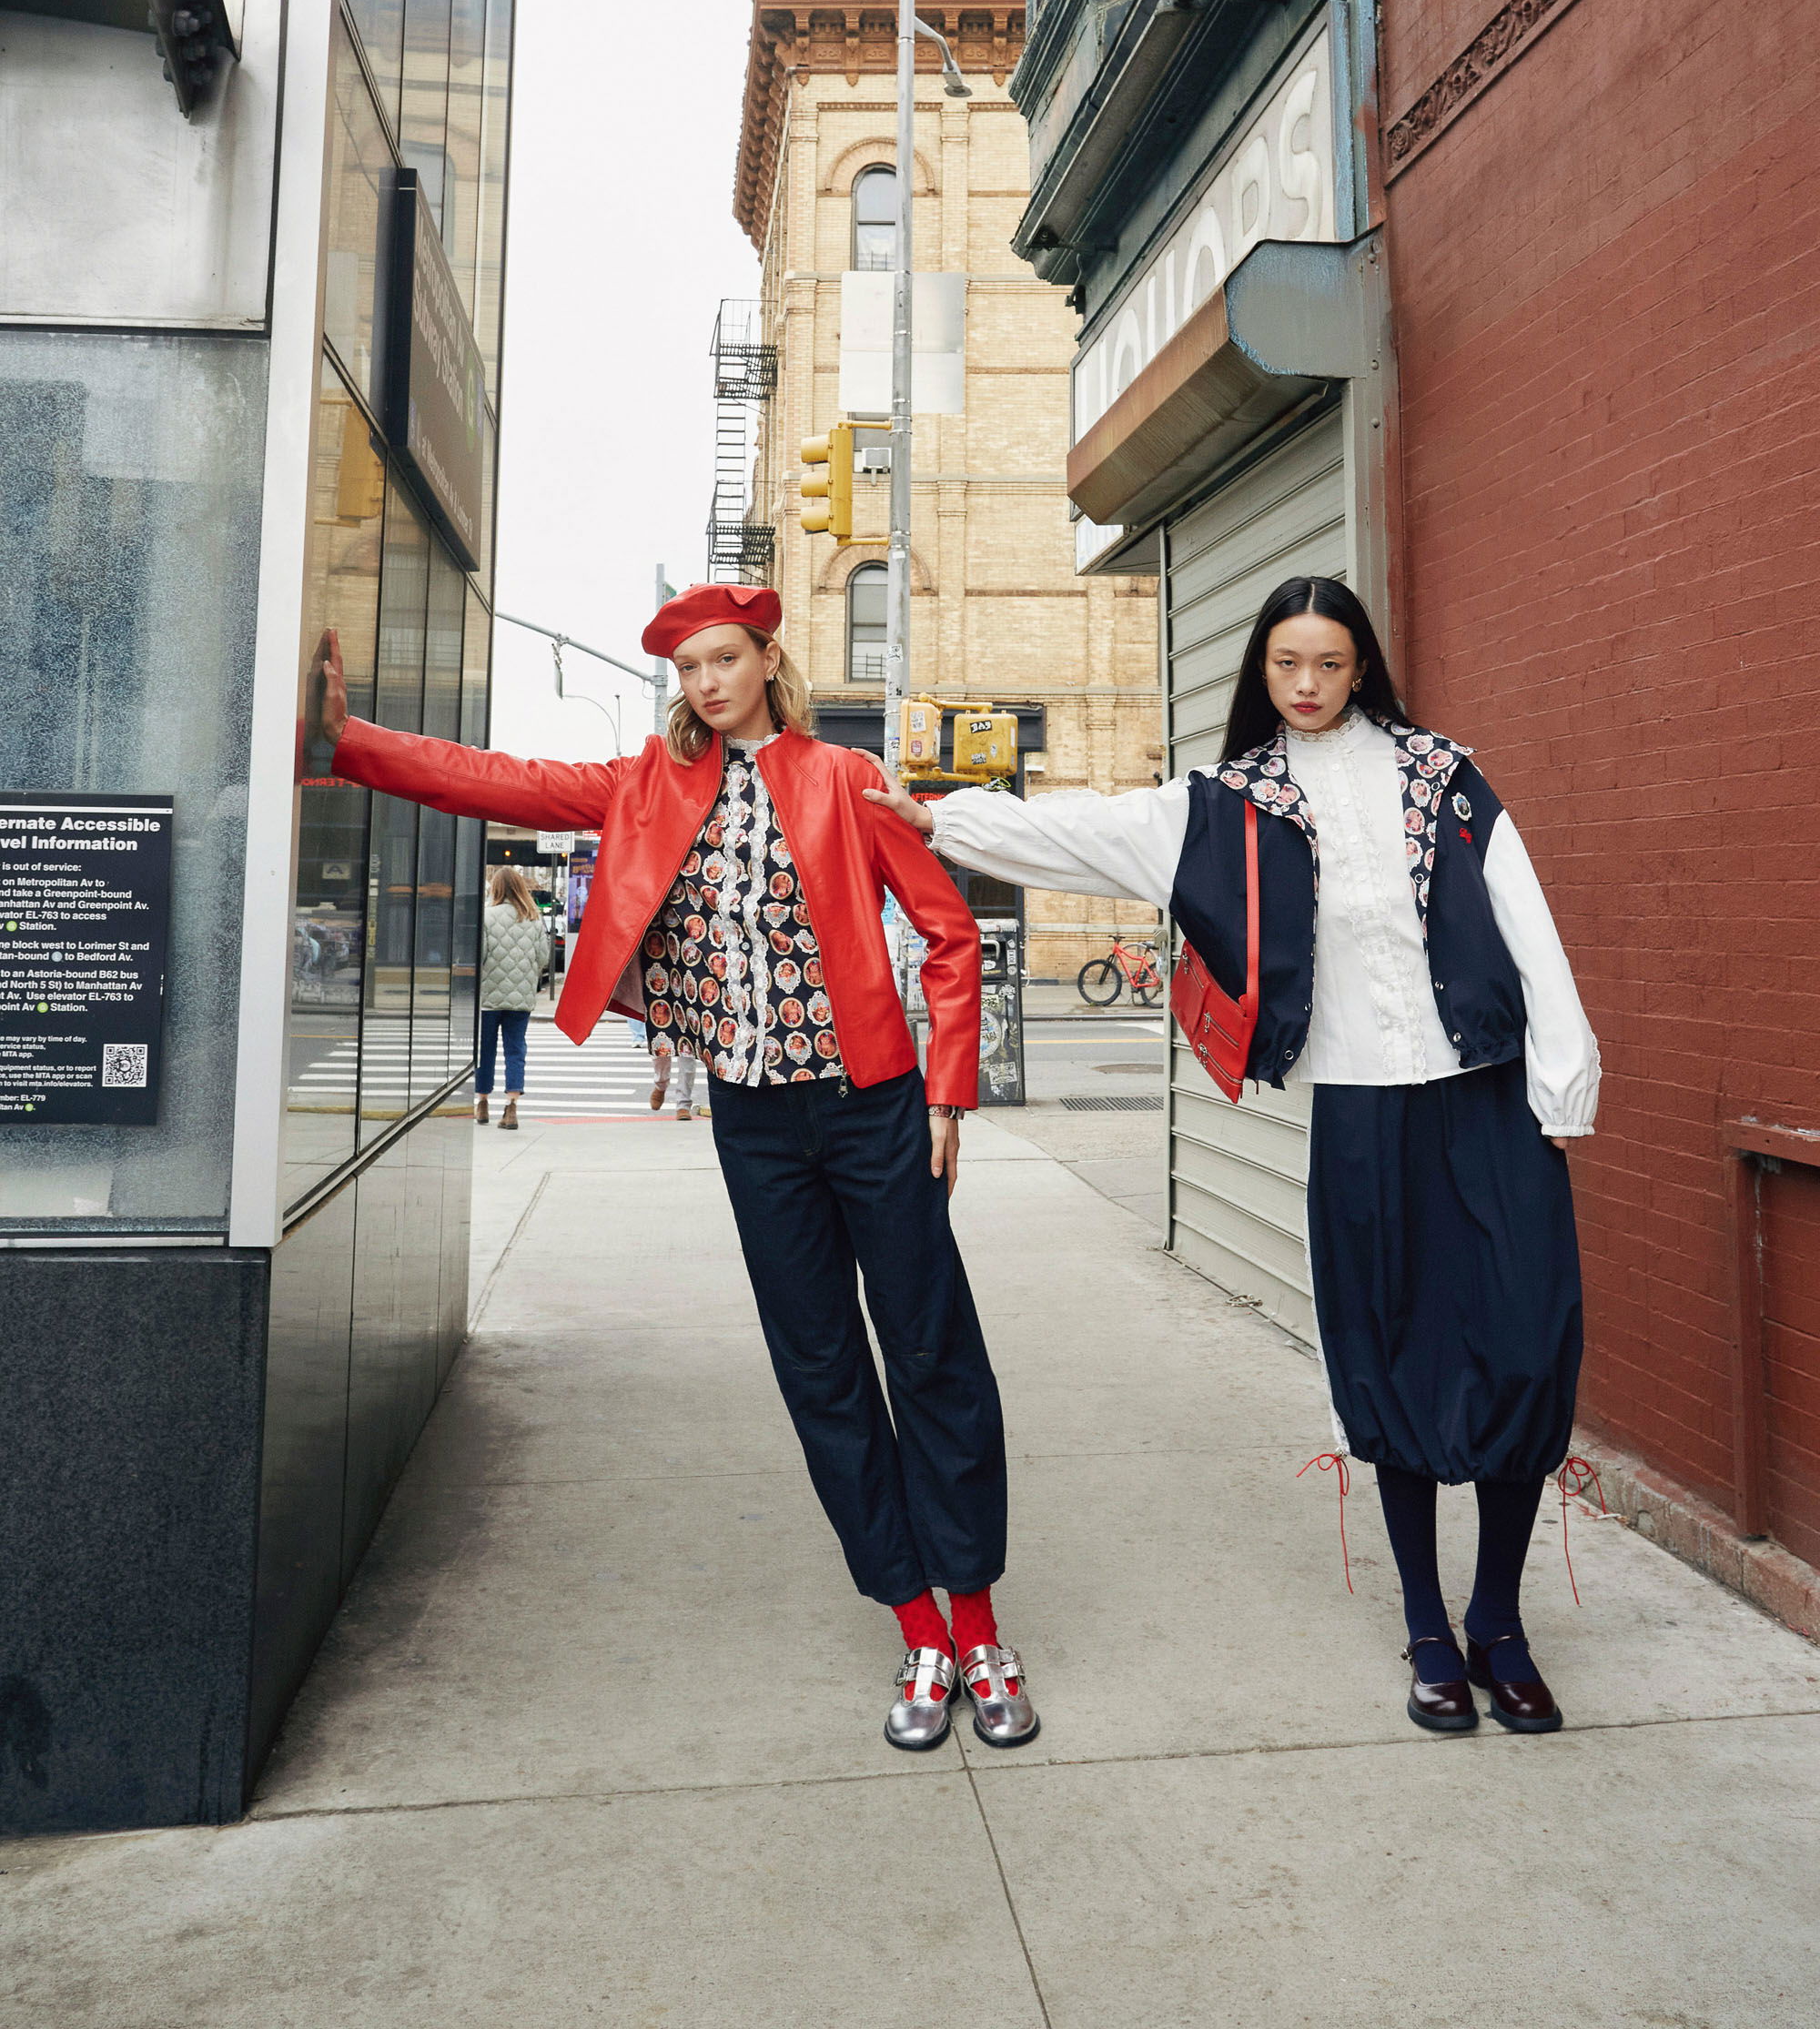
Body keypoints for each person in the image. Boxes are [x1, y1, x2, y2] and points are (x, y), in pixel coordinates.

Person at [866, 575, 1597, 1739]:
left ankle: (1497, 1624)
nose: (1305, 687)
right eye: (1284, 666)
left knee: (1522, 1349)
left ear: (1362, 668)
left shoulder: (1442, 774)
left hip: (1490, 1101)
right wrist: (941, 820)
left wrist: (1563, 1079)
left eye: (1328, 665)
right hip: (1360, 1118)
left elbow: (1526, 920)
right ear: (1260, 671)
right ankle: (1426, 1632)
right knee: (1392, 1357)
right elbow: (1089, 833)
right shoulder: (1227, 805)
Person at [309, 581, 1036, 1751]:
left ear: (764, 660)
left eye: (722, 659)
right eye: (687, 666)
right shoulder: (646, 787)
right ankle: (914, 1627)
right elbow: (501, 779)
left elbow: (947, 934)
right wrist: (348, 744)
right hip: (754, 1121)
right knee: (820, 1368)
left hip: (872, 1106)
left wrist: (949, 1090)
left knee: (930, 1346)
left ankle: (980, 1624)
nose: (704, 682)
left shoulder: (844, 782)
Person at [476, 864, 550, 1130]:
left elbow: (480, 956)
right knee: (516, 1049)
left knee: (485, 1051)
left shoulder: (485, 916)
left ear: (495, 888)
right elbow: (543, 958)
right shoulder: (533, 918)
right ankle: (512, 1107)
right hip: (520, 997)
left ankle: (482, 1103)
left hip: (487, 997)